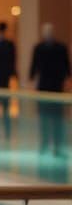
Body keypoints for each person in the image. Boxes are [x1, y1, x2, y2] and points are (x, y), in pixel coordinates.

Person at [29, 23, 70, 156]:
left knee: (57, 118)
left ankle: (57, 145)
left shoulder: (61, 48)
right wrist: (32, 79)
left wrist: (67, 79)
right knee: (44, 118)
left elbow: (67, 66)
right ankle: (45, 143)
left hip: (56, 87)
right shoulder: (39, 48)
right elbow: (34, 66)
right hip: (44, 87)